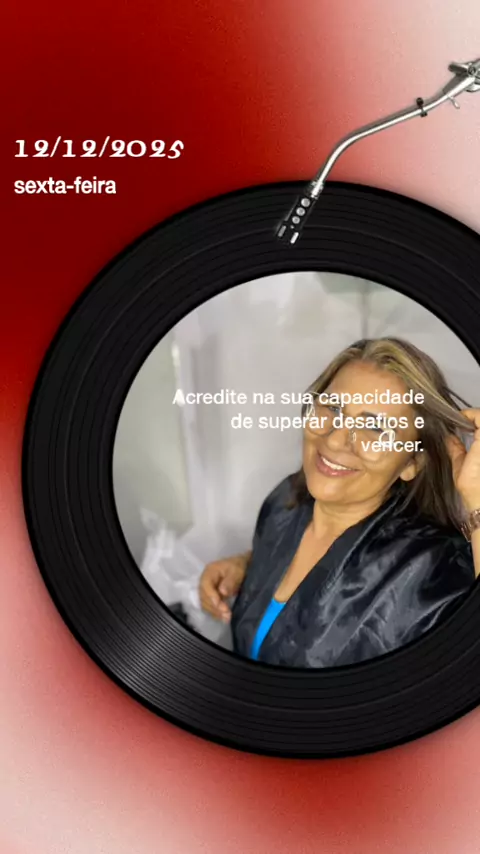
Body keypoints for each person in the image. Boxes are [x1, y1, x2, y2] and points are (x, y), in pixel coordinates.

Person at [199, 337, 480, 667]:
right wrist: (247, 564)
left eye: (375, 428)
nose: (334, 439)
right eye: (332, 408)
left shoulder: (433, 570)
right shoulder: (284, 501)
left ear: (411, 463)